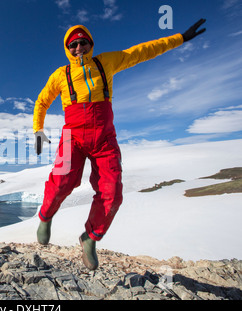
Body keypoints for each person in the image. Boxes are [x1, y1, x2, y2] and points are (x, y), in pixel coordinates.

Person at [33, 19, 206, 270]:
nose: (78, 47)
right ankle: (46, 217)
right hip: (73, 137)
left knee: (112, 192)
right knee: (62, 180)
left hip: (104, 137)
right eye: (73, 44)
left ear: (90, 43)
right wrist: (38, 129)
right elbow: (42, 101)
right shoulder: (60, 75)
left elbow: (143, 51)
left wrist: (180, 37)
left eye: (83, 42)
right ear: (67, 48)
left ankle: (90, 238)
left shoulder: (107, 62)